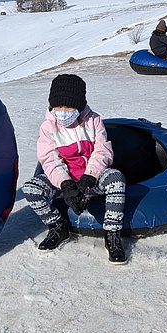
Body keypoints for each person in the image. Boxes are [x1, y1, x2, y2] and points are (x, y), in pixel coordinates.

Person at [22, 74, 128, 264]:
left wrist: (88, 179)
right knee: (31, 188)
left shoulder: (93, 121)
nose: (62, 112)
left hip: (91, 180)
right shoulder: (48, 127)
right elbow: (49, 159)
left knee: (116, 179)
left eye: (68, 107)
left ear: (79, 106)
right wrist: (66, 184)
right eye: (58, 107)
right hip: (64, 182)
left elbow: (102, 151)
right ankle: (57, 225)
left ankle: (112, 234)